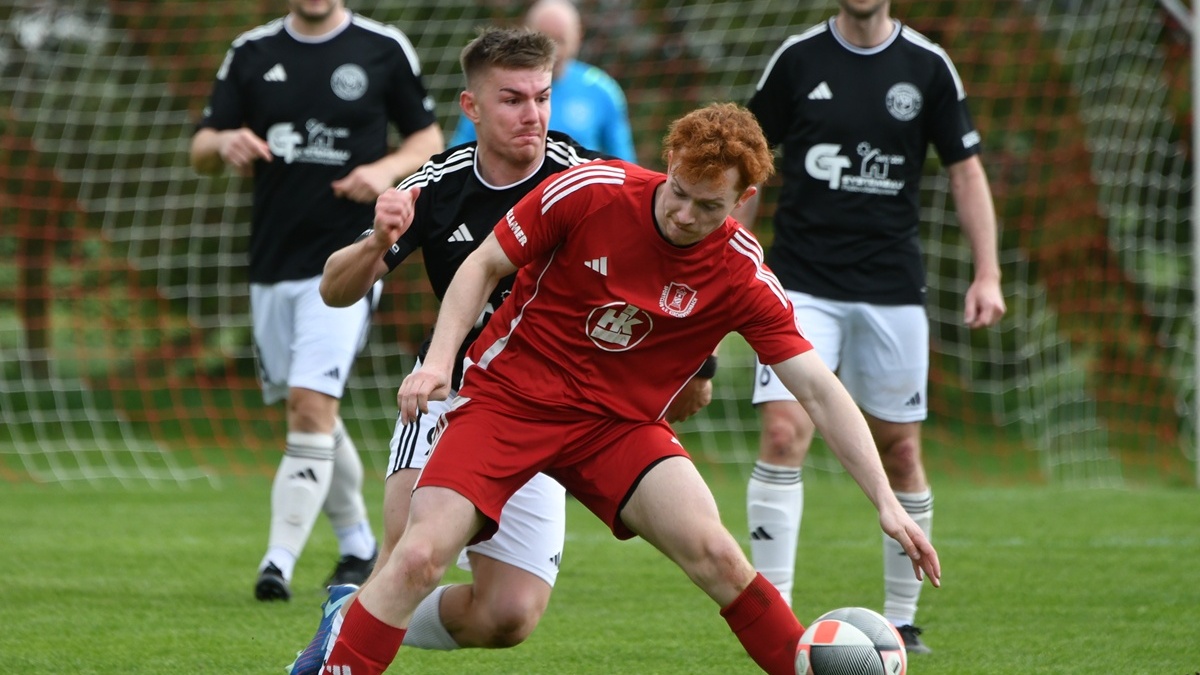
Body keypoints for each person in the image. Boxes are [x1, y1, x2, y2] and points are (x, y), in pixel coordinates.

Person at [314, 102, 941, 675]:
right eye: (681, 194)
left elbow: (819, 390)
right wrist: (438, 362)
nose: (686, 215)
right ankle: (347, 631)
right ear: (667, 165)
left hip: (618, 427)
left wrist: (885, 502)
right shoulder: (591, 190)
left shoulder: (742, 272)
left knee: (719, 558)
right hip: (510, 400)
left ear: (744, 199)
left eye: (710, 207)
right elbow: (482, 264)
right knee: (419, 557)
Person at [284, 27, 715, 675]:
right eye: (512, 99)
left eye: (542, 97)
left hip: (549, 408)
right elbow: (335, 288)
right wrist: (376, 242)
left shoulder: (590, 177)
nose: (533, 115)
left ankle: (353, 614)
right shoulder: (440, 184)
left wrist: (697, 364)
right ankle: (343, 652)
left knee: (507, 616)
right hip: (449, 392)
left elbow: (677, 237)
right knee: (407, 556)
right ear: (471, 107)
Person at [731, 0, 1006, 653]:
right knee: (782, 430)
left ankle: (903, 621)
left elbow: (966, 172)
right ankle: (778, 619)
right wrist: (729, 256)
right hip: (799, 283)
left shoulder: (928, 67)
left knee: (901, 450)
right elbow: (746, 166)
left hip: (891, 287)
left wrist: (987, 272)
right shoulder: (797, 60)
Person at [190, 0, 444, 602]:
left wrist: (383, 169)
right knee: (310, 413)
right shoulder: (252, 52)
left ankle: (277, 561)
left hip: (349, 261)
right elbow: (200, 147)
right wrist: (224, 142)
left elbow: (429, 142)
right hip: (271, 264)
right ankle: (357, 541)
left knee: (309, 405)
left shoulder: (384, 48)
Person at [448, 0, 638, 163]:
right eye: (544, 41)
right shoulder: (495, 87)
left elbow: (624, 164)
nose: (552, 53)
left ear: (577, 37)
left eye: (560, 41)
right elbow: (459, 153)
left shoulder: (602, 90)